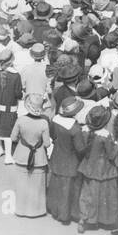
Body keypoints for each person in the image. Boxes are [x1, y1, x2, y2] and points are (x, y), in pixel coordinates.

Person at [77, 104, 118, 232]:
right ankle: (105, 220)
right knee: (106, 195)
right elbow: (111, 154)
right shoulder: (105, 135)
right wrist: (116, 144)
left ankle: (85, 218)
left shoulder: (84, 130)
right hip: (104, 169)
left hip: (88, 166)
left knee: (87, 194)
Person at [9, 93, 52, 218]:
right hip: (38, 156)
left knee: (22, 184)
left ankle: (21, 209)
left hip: (22, 155)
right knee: (37, 185)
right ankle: (36, 210)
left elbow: (13, 137)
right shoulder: (44, 123)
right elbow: (47, 144)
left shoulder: (21, 120)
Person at [46, 95, 85, 226]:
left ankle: (53, 208)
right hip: (70, 160)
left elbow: (52, 135)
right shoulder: (74, 128)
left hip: (57, 156)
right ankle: (65, 214)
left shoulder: (55, 120)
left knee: (55, 184)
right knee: (67, 189)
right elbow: (80, 148)